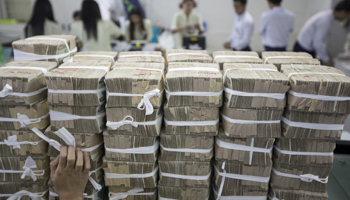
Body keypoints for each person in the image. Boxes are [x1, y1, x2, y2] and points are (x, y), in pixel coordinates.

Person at [294, 0, 350, 66]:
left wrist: (326, 55)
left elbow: (321, 41)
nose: (346, 18)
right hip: (303, 49)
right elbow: (317, 43)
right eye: (347, 16)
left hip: (305, 47)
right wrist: (327, 60)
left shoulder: (328, 16)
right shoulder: (325, 20)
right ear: (343, 12)